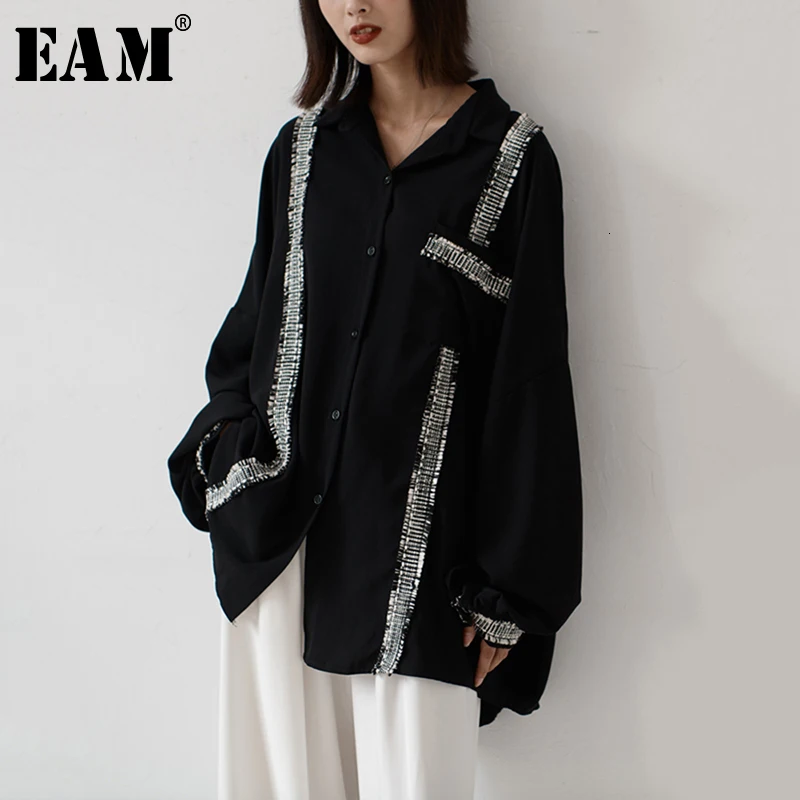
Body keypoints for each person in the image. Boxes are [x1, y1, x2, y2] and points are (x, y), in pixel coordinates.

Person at [166, 0, 584, 797]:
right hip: (282, 553)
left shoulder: (510, 158)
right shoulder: (301, 154)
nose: (354, 5)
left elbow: (529, 384)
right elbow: (252, 335)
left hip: (421, 571)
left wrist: (510, 593)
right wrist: (229, 460)